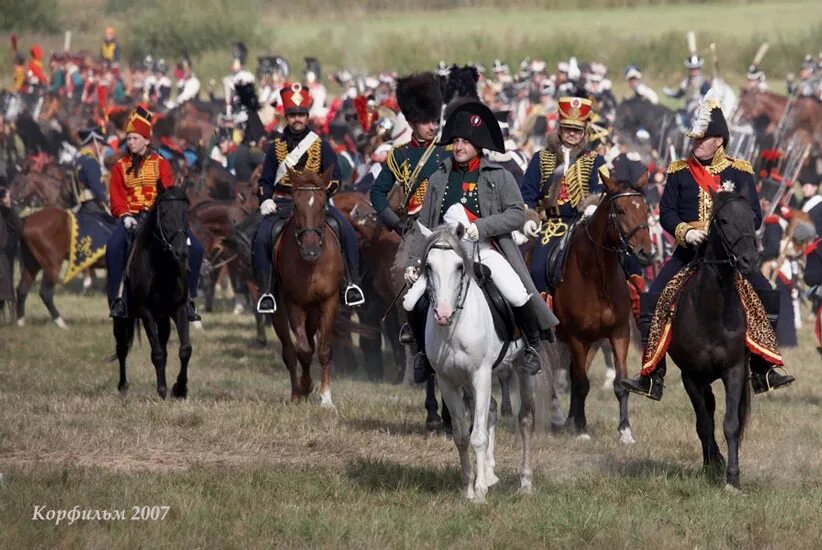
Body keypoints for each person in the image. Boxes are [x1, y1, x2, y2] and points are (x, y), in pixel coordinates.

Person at [622, 89, 794, 400]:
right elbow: (666, 214)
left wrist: (728, 234)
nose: (695, 144)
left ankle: (763, 367)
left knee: (766, 292)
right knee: (651, 298)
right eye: (694, 139)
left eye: (702, 139)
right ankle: (653, 375)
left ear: (719, 139)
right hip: (688, 253)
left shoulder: (739, 171)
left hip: (729, 254)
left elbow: (753, 215)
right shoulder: (678, 171)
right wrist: (685, 231)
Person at [402, 100, 558, 378]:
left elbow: (516, 215)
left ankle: (532, 346)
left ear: (479, 146)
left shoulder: (500, 175)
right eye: (457, 141)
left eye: (466, 142)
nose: (459, 146)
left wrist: (482, 227)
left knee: (517, 293)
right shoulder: (438, 179)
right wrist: (414, 261)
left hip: (485, 248)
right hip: (444, 253)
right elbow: (423, 226)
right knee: (411, 301)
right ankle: (424, 355)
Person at [252, 82, 364, 313]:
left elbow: (336, 178)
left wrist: (320, 196)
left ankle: (352, 284)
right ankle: (267, 292)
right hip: (283, 203)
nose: (297, 119)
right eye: (293, 115)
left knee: (348, 232)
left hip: (317, 205)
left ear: (307, 115)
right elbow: (265, 180)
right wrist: (265, 199)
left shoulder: (321, 146)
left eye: (301, 114)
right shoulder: (276, 148)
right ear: (286, 116)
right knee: (262, 237)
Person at [369, 72, 448, 383]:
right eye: (426, 120)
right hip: (415, 227)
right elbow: (377, 194)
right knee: (401, 269)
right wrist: (397, 224)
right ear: (414, 120)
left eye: (434, 119)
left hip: (449, 224)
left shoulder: (448, 151)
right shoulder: (399, 155)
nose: (432, 125)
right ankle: (410, 329)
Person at [105, 107, 203, 321]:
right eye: (129, 138)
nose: (130, 142)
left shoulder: (161, 164)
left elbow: (168, 194)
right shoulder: (120, 167)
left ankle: (189, 300)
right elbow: (116, 198)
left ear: (146, 140)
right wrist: (124, 215)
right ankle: (117, 299)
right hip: (131, 218)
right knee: (113, 248)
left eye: (135, 138)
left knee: (195, 248)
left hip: (158, 218)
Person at [520, 97, 605, 295]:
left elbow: (601, 189)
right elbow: (527, 194)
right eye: (568, 128)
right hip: (551, 224)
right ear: (559, 129)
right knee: (538, 269)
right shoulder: (541, 158)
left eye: (577, 129)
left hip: (582, 224)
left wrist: (593, 204)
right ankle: (542, 319)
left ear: (585, 131)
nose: (573, 134)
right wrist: (528, 218)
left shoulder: (595, 160)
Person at [74, 126, 109, 210]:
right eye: (100, 143)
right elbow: (96, 186)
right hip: (94, 204)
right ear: (95, 143)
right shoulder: (89, 161)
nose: (102, 147)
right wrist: (107, 201)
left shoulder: (81, 158)